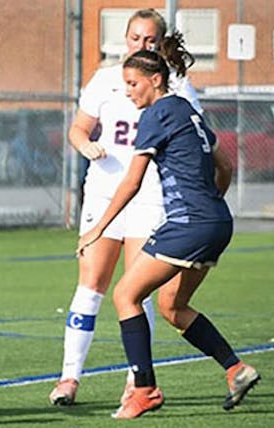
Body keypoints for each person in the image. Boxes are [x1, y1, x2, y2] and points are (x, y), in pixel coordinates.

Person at [76, 35, 261, 420]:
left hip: (189, 223)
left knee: (125, 295)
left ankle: (144, 390)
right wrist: (210, 206)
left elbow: (131, 181)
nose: (128, 92)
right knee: (172, 307)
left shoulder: (156, 115)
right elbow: (224, 167)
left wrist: (97, 229)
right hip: (217, 222)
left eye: (133, 84)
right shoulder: (188, 111)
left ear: (155, 80)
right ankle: (236, 369)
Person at [49, 8, 202, 406]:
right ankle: (69, 379)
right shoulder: (104, 79)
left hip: (149, 195)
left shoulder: (176, 87)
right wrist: (84, 146)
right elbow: (78, 128)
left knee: (138, 289)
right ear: (125, 39)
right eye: (135, 38)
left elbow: (196, 137)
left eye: (150, 40)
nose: (141, 45)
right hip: (103, 192)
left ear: (161, 43)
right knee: (90, 286)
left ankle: (137, 381)